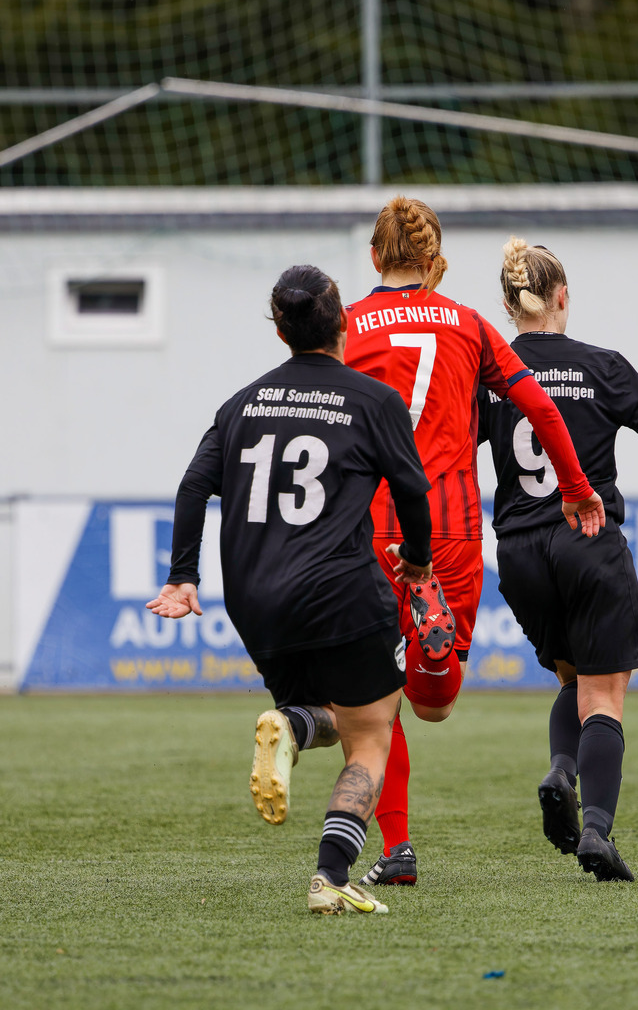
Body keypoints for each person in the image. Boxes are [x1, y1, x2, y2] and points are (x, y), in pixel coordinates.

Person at [146, 265, 436, 915]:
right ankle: (330, 876)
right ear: (343, 323)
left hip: (254, 598)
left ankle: (291, 725)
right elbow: (414, 491)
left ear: (279, 329)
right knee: (372, 734)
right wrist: (416, 562)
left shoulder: (241, 403)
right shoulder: (372, 400)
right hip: (340, 590)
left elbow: (194, 486)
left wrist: (183, 576)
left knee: (328, 720)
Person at [343, 196, 605, 886]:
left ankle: (396, 850)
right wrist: (576, 486)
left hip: (372, 528)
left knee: (373, 703)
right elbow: (540, 407)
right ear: (435, 263)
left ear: (374, 258)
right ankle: (431, 649)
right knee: (434, 704)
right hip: (449, 529)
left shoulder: (347, 326)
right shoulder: (468, 325)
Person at [477, 237, 638, 881]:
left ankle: (559, 771)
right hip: (587, 535)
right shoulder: (603, 366)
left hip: (518, 552)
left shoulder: (488, 375)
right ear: (562, 297)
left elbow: (446, 453)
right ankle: (596, 830)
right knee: (605, 693)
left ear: (509, 307)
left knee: (572, 679)